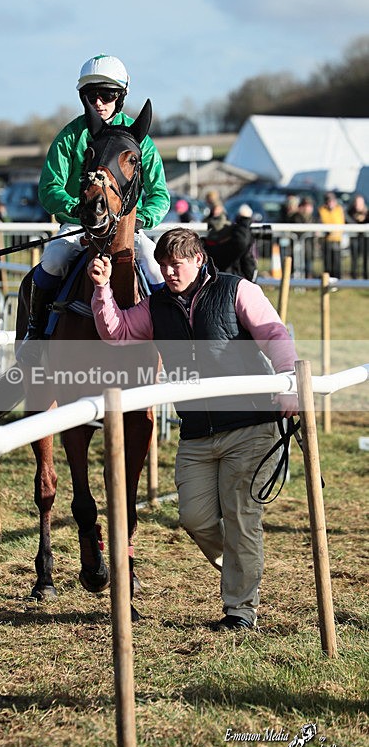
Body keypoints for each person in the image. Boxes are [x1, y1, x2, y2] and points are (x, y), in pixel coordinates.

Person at [87, 227, 298, 631]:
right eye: (164, 265)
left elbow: (273, 333)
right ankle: (242, 567)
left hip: (251, 425)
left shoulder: (239, 290)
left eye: (177, 264)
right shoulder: (157, 305)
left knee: (241, 518)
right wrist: (102, 291)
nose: (169, 272)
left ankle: (240, 611)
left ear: (198, 259)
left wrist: (288, 379)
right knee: (194, 519)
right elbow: (118, 334)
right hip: (197, 432)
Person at [21, 54, 170, 356]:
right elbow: (50, 187)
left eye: (108, 95)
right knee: (54, 259)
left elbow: (160, 195)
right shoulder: (70, 136)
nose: (99, 102)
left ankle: (171, 335)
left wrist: (143, 218)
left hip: (126, 228)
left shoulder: (141, 141)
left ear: (121, 96)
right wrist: (76, 209)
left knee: (154, 265)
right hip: (80, 223)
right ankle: (35, 330)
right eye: (91, 96)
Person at [203, 203, 257, 281]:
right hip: (234, 285)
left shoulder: (204, 248)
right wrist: (244, 220)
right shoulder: (230, 250)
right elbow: (241, 241)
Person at [318, 192, 345, 278]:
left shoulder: (339, 209)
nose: (330, 203)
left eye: (332, 201)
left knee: (337, 262)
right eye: (328, 201)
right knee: (327, 263)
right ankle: (327, 280)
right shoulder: (322, 210)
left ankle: (337, 281)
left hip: (337, 239)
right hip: (326, 240)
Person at [346, 194, 368, 279]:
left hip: (365, 238)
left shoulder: (367, 212)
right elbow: (347, 220)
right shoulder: (350, 212)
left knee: (365, 259)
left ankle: (366, 277)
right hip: (354, 238)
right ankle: (354, 277)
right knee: (354, 258)